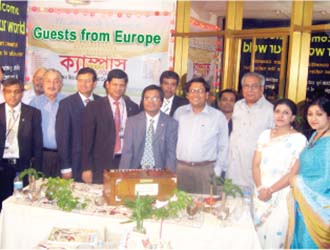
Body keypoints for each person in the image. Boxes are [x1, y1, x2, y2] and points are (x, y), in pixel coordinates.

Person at [252, 98, 307, 248]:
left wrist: (270, 190)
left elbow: (293, 173)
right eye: (277, 111)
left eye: (285, 113)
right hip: (260, 192)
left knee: (276, 237)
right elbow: (255, 165)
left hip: (282, 195)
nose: (280, 116)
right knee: (255, 237)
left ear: (293, 117)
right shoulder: (264, 135)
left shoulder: (299, 140)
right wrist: (260, 188)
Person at [81, 69, 139, 184]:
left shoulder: (133, 107)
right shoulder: (94, 107)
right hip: (100, 164)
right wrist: (86, 168)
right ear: (107, 84)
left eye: (122, 85)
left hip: (125, 162)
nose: (118, 88)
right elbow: (86, 140)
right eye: (115, 84)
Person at [174, 77, 228, 194]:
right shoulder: (179, 113)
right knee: (179, 207)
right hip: (181, 169)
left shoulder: (218, 116)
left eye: (200, 91)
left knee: (206, 208)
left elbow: (224, 146)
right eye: (193, 91)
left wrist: (217, 171)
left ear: (207, 94)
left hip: (206, 170)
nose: (196, 94)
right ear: (187, 95)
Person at [289, 97, 330, 249]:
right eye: (310, 114)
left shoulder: (328, 143)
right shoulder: (315, 135)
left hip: (318, 206)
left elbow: (326, 179)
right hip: (304, 203)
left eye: (319, 114)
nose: (313, 118)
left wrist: (298, 182)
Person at [0, 78, 42, 211]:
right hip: (2, 166)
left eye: (16, 92)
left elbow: (37, 144)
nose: (12, 95)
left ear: (22, 93)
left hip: (23, 167)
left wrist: (36, 171)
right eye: (9, 91)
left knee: (22, 206)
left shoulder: (33, 113)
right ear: (3, 92)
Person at [226, 72, 274, 191]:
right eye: (246, 86)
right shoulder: (237, 106)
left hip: (253, 171)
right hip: (232, 169)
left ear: (262, 88)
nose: (250, 90)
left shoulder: (270, 110)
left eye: (254, 86)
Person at [56, 67, 101, 181]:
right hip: (74, 163)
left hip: (96, 164)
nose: (83, 84)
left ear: (94, 83)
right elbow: (63, 137)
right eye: (80, 80)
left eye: (88, 81)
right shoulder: (66, 104)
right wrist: (65, 167)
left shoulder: (101, 103)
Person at [119, 85, 178, 171]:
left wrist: (169, 176)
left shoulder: (171, 123)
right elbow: (127, 152)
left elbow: (171, 154)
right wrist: (122, 174)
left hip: (159, 171)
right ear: (143, 101)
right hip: (135, 170)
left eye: (155, 98)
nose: (150, 102)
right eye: (147, 98)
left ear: (161, 102)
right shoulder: (132, 122)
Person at [30, 69, 66, 177]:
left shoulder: (68, 102)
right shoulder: (34, 103)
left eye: (56, 81)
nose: (52, 85)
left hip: (63, 156)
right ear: (43, 83)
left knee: (62, 191)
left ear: (60, 84)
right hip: (40, 156)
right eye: (48, 81)